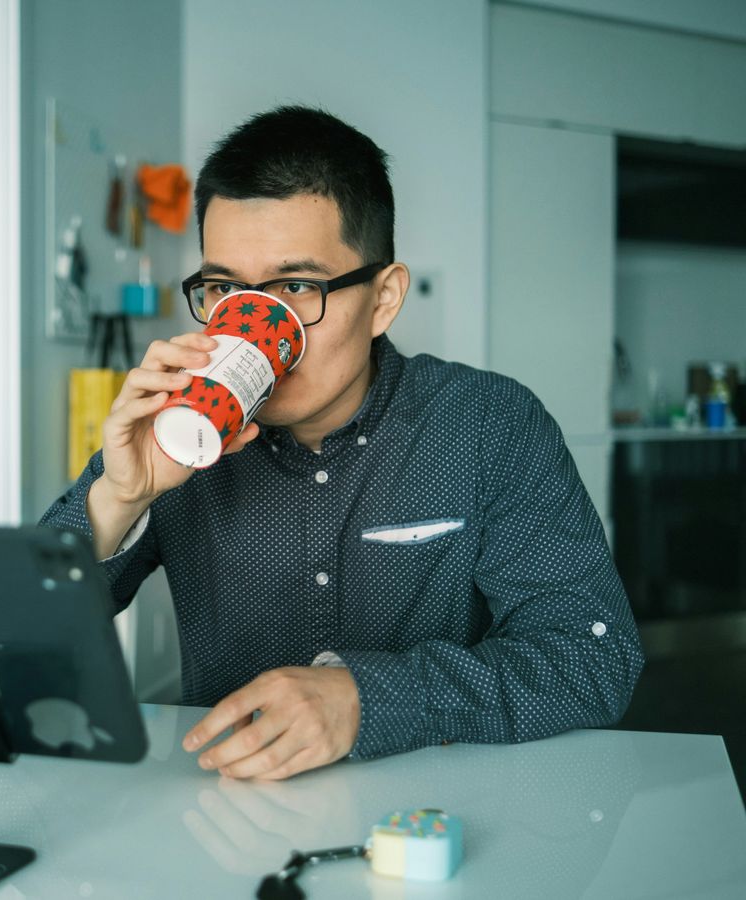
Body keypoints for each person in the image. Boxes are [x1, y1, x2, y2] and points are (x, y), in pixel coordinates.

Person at [41, 105, 643, 781]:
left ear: (383, 299)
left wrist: (370, 699)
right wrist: (121, 496)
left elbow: (595, 658)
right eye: (224, 290)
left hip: (443, 821)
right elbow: (21, 639)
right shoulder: (182, 432)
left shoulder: (487, 424)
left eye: (296, 286)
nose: (252, 330)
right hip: (230, 817)